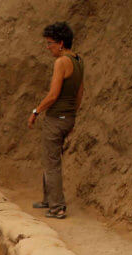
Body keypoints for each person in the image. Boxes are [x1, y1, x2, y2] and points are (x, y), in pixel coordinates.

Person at [28, 21, 84, 219]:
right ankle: (48, 199)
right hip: (68, 117)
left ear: (61, 43)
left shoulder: (61, 62)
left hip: (56, 118)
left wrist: (36, 111)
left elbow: (52, 95)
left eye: (50, 43)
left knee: (52, 163)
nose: (48, 47)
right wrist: (72, 115)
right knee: (50, 158)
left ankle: (57, 207)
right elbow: (80, 93)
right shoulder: (78, 60)